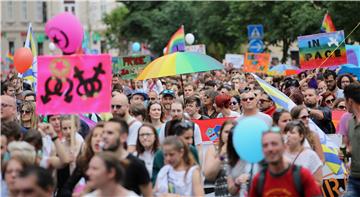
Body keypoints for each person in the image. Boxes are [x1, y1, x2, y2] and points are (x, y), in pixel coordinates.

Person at [249, 131, 322, 196]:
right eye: (265, 145)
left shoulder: (302, 175)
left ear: (284, 147)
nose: (270, 149)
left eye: (274, 144)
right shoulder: (259, 180)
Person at [102, 118, 152, 196]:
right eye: (103, 133)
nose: (104, 136)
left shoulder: (137, 165)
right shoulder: (98, 162)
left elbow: (148, 195)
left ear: (123, 137)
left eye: (110, 133)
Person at [57, 123, 104, 197]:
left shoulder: (115, 163)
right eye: (95, 136)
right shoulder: (84, 161)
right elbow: (66, 189)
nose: (98, 139)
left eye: (102, 136)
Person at [152, 120, 200, 185]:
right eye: (186, 138)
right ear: (176, 137)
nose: (190, 141)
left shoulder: (192, 150)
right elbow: (156, 182)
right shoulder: (161, 153)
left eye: (191, 138)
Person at [283, 121, 323, 185]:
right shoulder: (279, 154)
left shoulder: (311, 155)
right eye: (285, 132)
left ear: (301, 136)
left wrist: (301, 185)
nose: (288, 135)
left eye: (292, 133)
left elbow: (319, 182)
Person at [204, 120, 235, 196]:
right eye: (226, 132)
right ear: (221, 133)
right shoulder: (214, 149)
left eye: (232, 132)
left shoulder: (242, 150)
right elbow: (209, 175)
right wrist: (222, 154)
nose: (229, 135)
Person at [343, 83, 360, 196]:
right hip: (354, 178)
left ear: (349, 101)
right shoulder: (350, 122)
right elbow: (348, 148)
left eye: (345, 101)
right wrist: (345, 153)